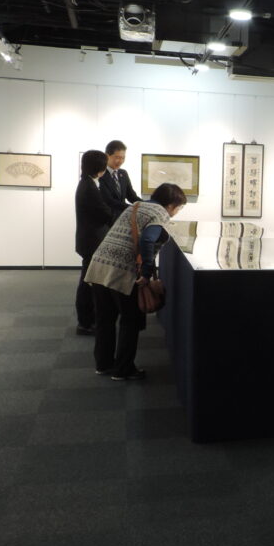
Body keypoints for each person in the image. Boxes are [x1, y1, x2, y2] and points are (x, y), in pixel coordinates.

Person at [86, 182, 185, 381]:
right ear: (171, 204)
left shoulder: (136, 206)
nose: (177, 212)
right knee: (130, 320)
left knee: (105, 319)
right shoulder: (160, 213)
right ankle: (123, 370)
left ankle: (104, 364)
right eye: (179, 207)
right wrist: (147, 273)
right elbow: (147, 240)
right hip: (122, 270)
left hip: (100, 264)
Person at [74, 150, 116, 335]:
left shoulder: (87, 183)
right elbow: (104, 213)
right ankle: (85, 322)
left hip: (89, 240)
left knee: (89, 282)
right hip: (92, 241)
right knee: (88, 284)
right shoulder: (89, 187)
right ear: (100, 168)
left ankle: (87, 320)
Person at [99, 139, 142, 217]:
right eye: (117, 157)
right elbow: (109, 201)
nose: (120, 161)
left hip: (121, 219)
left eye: (123, 158)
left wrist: (146, 205)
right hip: (106, 219)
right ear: (107, 156)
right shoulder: (100, 174)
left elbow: (131, 196)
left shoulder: (123, 173)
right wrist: (133, 208)